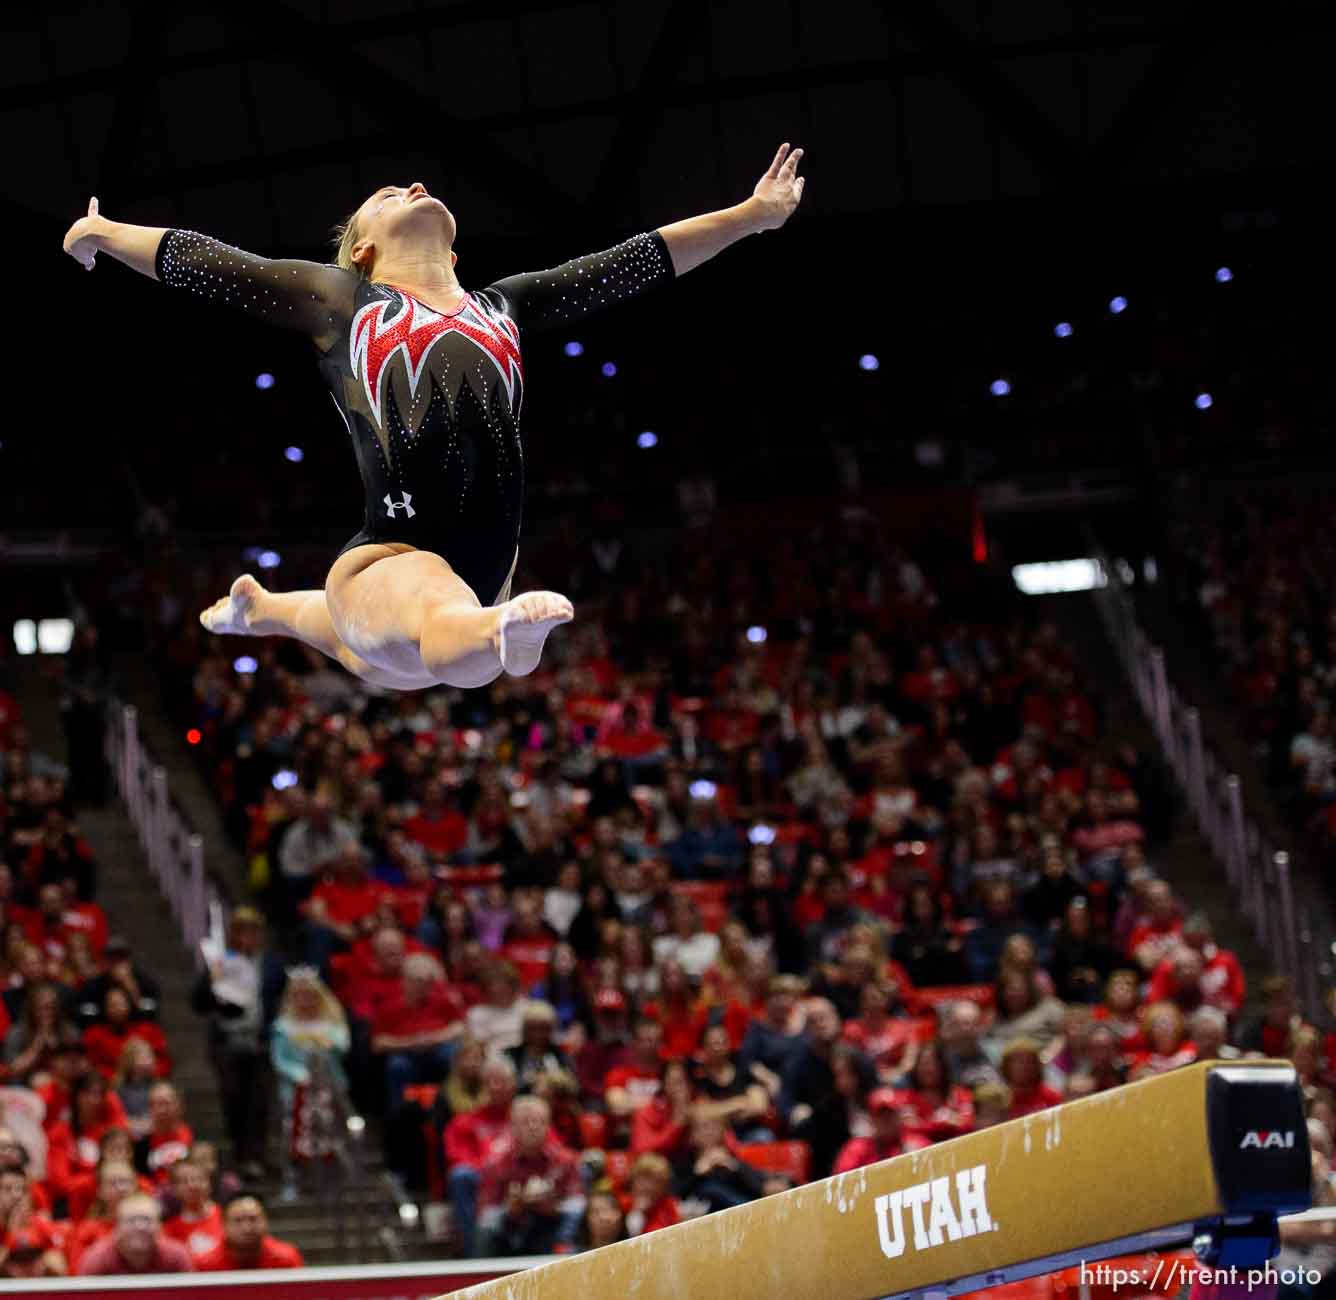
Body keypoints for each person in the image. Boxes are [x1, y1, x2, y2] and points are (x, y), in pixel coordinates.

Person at [63, 147, 806, 692]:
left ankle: (274, 611)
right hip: (394, 561)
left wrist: (753, 216)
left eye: (415, 185)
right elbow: (210, 263)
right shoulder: (343, 301)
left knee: (389, 651)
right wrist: (106, 234)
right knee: (422, 628)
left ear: (454, 244)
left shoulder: (505, 306)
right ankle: (466, 630)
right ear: (364, 248)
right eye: (389, 194)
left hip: (459, 587)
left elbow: (636, 262)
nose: (415, 185)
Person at [191, 905, 285, 1180]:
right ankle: (240, 1155)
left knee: (260, 1100)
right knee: (234, 1098)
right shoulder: (222, 962)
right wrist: (213, 978)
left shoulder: (271, 965)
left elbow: (281, 998)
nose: (248, 938)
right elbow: (198, 1002)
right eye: (242, 931)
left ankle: (258, 1156)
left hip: (259, 1042)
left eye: (253, 932)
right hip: (227, 1043)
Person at [475, 1096, 585, 1257]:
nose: (533, 1127)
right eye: (525, 1122)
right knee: (486, 1230)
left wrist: (554, 1207)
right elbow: (484, 1215)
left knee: (574, 1220)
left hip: (551, 1227)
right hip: (508, 1233)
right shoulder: (495, 1163)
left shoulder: (566, 1160)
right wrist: (510, 1209)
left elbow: (578, 1203)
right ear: (512, 1127)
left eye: (540, 1121)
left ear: (549, 1126)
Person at [76, 1193, 195, 1275]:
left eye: (147, 1220)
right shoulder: (97, 1259)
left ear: (160, 1227)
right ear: (117, 1227)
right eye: (131, 1220)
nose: (140, 1227)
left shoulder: (176, 1257)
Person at [194, 1196, 304, 1270]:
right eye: (238, 1220)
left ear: (265, 1221)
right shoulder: (206, 1265)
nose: (246, 1228)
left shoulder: (287, 1259)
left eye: (253, 1219)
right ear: (223, 1226)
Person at [161, 1159, 224, 1262]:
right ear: (174, 1189)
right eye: (184, 1181)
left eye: (199, 1178)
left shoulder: (227, 1217)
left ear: (209, 1183)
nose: (192, 1185)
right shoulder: (167, 1230)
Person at [575, 1188, 627, 1253]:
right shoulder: (572, 1256)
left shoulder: (635, 1250)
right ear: (587, 1218)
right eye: (595, 1211)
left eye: (608, 1210)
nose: (603, 1217)